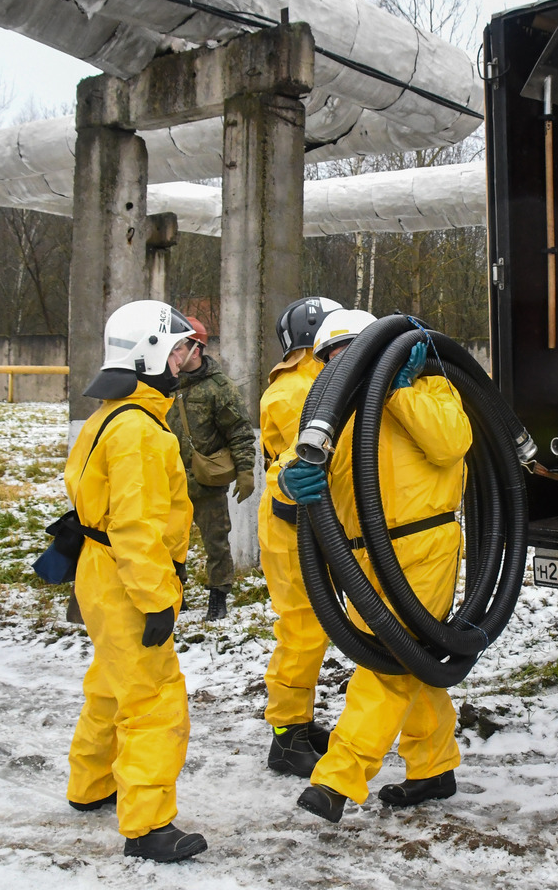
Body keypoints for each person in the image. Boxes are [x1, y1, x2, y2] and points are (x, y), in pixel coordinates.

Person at [273, 309, 471, 823]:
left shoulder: (428, 388)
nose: (343, 362)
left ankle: (338, 779)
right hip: (361, 555)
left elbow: (452, 443)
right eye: (332, 356)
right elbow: (290, 462)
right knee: (413, 662)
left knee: (388, 662)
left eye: (352, 349)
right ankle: (433, 768)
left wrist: (399, 392)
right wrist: (288, 481)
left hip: (423, 544)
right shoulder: (330, 413)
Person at [64, 299, 207, 862]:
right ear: (149, 355)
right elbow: (135, 525)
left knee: (109, 681)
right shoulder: (141, 431)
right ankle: (148, 827)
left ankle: (91, 783)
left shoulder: (111, 416)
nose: (184, 361)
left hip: (101, 572)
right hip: (128, 578)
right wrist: (155, 599)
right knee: (153, 698)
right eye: (177, 351)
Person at [257, 295, 342, 777]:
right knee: (303, 627)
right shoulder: (296, 391)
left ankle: (301, 724)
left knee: (313, 626)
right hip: (293, 522)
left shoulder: (314, 380)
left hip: (310, 518)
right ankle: (287, 736)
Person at [166, 316, 256, 621]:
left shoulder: (219, 387)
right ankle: (174, 594)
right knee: (168, 541)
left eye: (178, 347)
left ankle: (218, 598)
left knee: (216, 542)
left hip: (206, 479)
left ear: (196, 348)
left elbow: (239, 431)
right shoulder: (162, 384)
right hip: (169, 479)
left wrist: (245, 471)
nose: (173, 354)